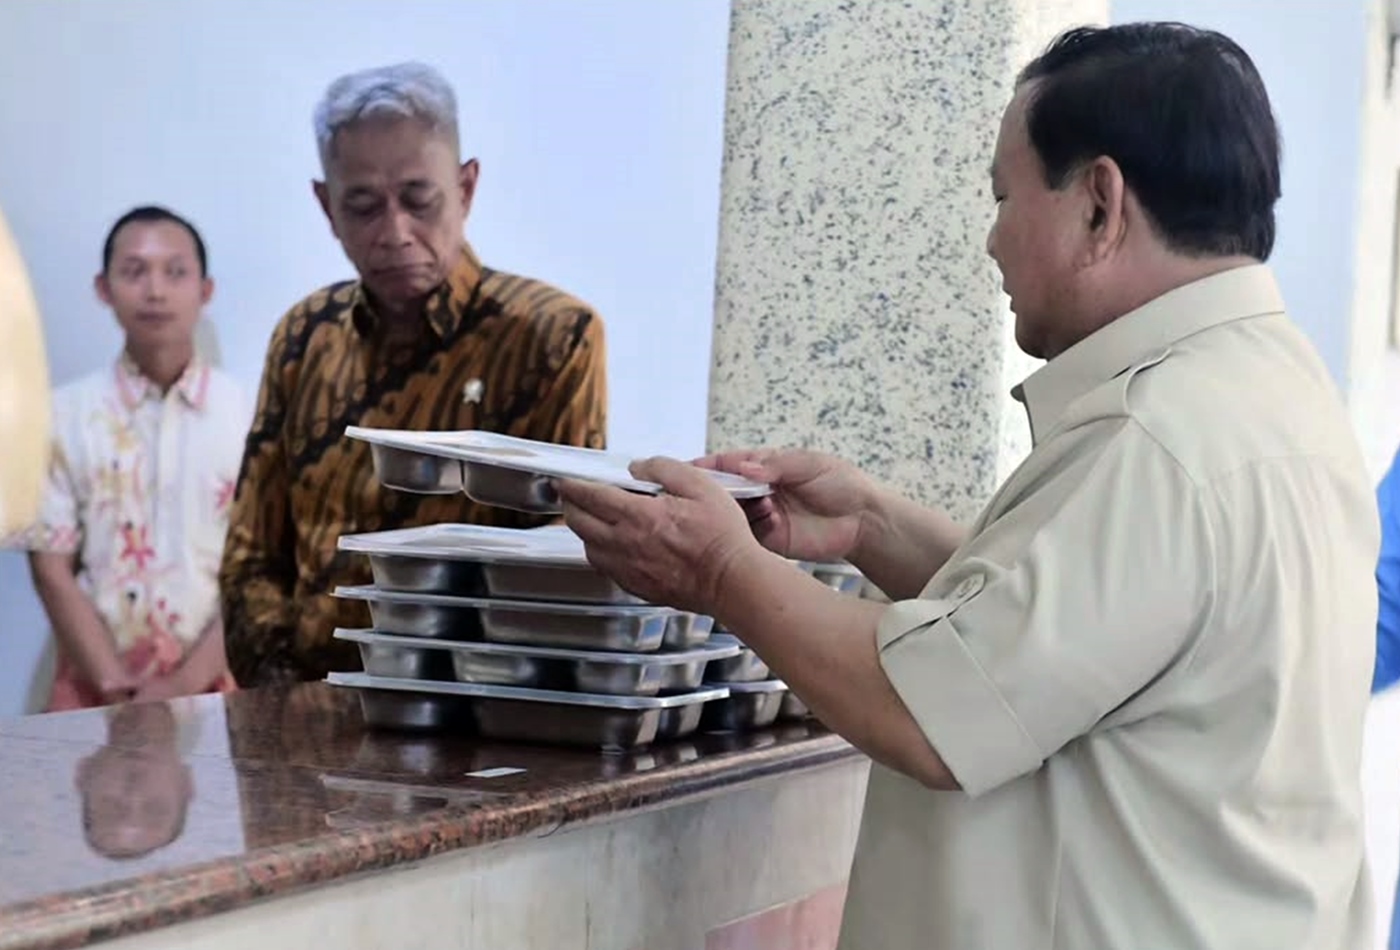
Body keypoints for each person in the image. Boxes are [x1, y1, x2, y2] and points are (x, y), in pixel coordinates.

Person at [558, 22, 1379, 950]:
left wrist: (719, 571)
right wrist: (871, 523)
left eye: (1003, 198)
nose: (992, 243)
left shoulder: (1159, 436)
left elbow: (930, 711)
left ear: (1100, 205)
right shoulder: (1270, 392)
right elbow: (1081, 634)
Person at [220, 62, 607, 687]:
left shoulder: (549, 336)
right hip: (302, 698)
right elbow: (252, 557)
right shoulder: (305, 335)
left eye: (419, 200)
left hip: (480, 700)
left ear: (466, 188)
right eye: (363, 206)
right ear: (326, 205)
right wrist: (287, 700)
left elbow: (555, 559)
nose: (394, 233)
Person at [12, 206, 248, 710]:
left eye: (175, 272)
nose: (155, 291)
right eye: (135, 271)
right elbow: (50, 567)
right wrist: (113, 683)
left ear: (205, 290)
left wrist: (182, 685)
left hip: (216, 687)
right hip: (93, 688)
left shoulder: (249, 417)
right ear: (104, 288)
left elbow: (259, 572)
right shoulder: (61, 416)